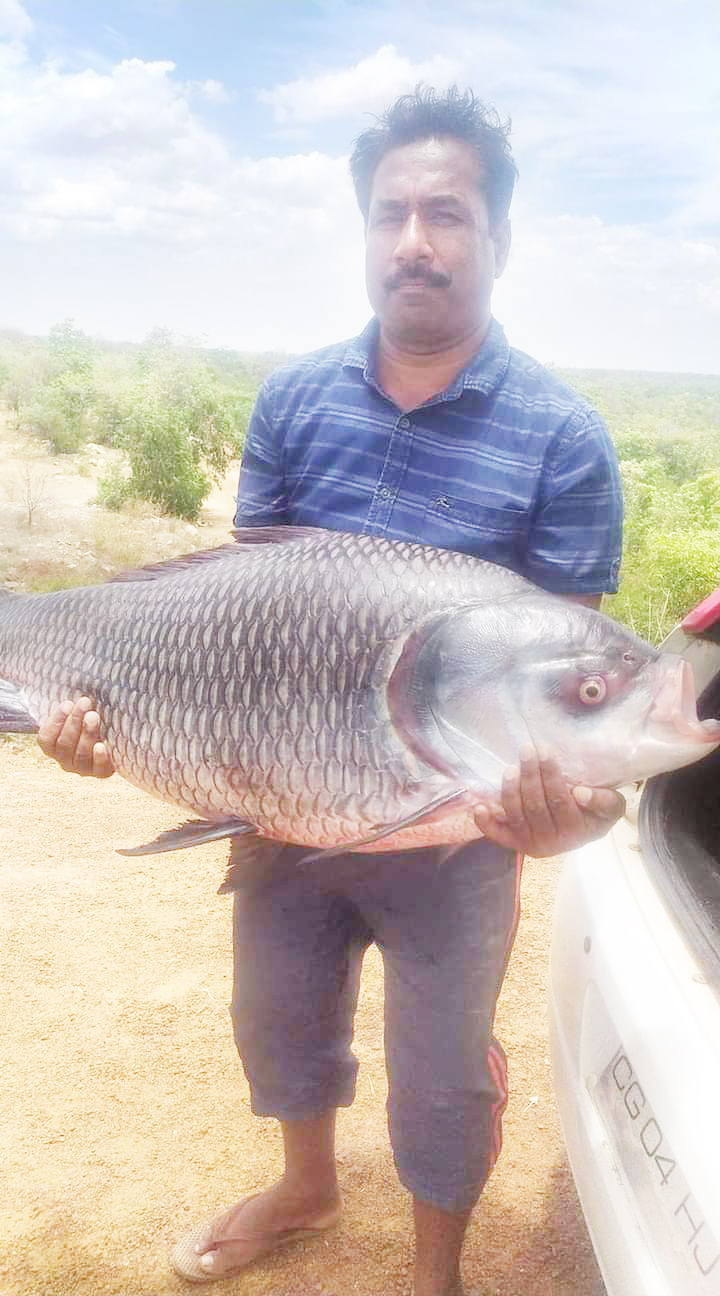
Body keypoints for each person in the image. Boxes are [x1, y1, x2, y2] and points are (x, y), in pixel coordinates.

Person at [38, 87, 624, 1296]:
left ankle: (433, 1273)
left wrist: (567, 806)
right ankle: (306, 1188)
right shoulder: (294, 401)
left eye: (446, 213)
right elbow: (227, 617)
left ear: (498, 237)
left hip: (454, 837)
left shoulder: (563, 439)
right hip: (280, 802)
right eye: (390, 213)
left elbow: (576, 684)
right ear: (364, 231)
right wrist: (104, 729)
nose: (416, 240)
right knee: (279, 1016)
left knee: (444, 1070)